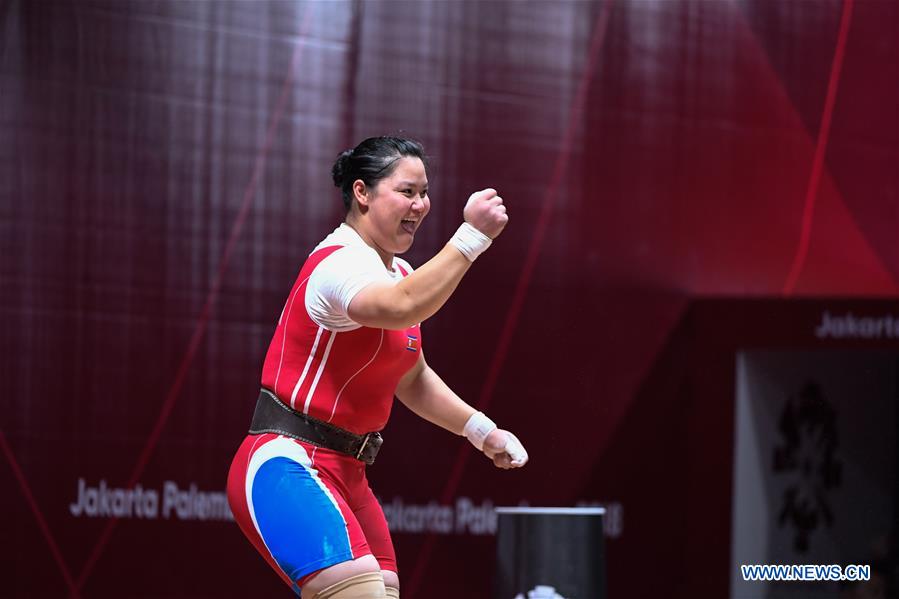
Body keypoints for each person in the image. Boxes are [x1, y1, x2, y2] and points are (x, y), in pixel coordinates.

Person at [226, 136, 529, 599]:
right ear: (362, 193)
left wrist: (482, 431)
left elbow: (411, 377)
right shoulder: (339, 263)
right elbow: (401, 306)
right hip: (287, 462)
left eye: (424, 192)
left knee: (382, 590)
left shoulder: (400, 274)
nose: (420, 205)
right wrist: (472, 237)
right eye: (406, 191)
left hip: (349, 473)